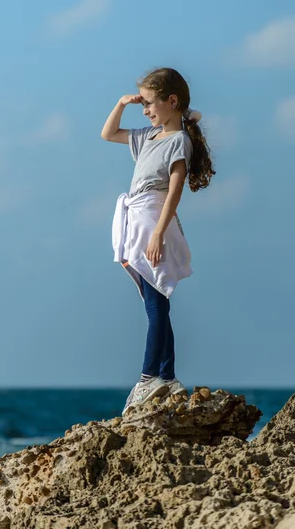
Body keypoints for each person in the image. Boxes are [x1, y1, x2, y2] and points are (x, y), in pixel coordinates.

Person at [101, 67, 216, 416]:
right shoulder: (148, 137)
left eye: (150, 104)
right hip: (136, 218)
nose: (146, 110)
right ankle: (165, 376)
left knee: (155, 302)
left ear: (172, 100)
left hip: (152, 219)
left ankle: (150, 377)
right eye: (143, 105)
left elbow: (176, 188)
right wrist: (123, 102)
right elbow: (108, 134)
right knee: (157, 303)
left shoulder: (178, 141)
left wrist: (158, 233)